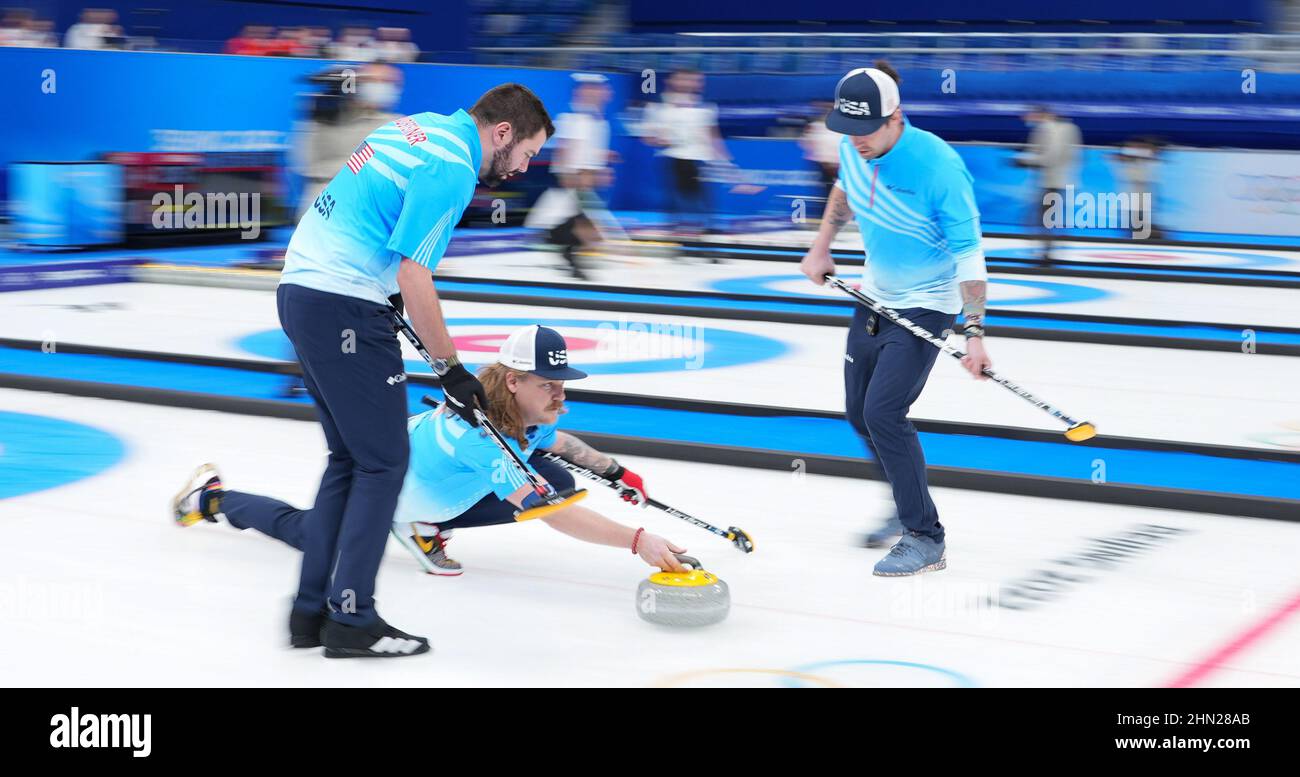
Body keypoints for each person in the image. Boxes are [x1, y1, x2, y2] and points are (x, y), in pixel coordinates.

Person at [171, 84, 555, 658]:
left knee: (350, 460)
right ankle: (352, 618)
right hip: (342, 303)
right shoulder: (452, 167)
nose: (526, 166)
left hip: (303, 292)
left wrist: (378, 296)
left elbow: (369, 220)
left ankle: (310, 615)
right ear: (502, 133)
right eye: (528, 152)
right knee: (384, 463)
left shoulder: (418, 126)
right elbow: (414, 275)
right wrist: (453, 370)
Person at [174, 326, 687, 580]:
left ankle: (424, 525)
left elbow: (562, 445)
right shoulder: (482, 439)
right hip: (373, 489)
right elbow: (553, 517)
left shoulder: (512, 414)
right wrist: (636, 540)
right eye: (551, 385)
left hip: (426, 483)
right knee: (308, 536)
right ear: (514, 381)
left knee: (558, 477)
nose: (562, 395)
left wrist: (617, 472)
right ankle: (215, 498)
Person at [799, 64, 992, 577]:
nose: (855, 141)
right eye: (846, 129)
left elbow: (970, 254)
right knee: (857, 413)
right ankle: (902, 494)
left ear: (896, 116)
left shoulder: (939, 168)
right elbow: (843, 190)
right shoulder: (851, 144)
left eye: (866, 130)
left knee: (884, 413)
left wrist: (974, 334)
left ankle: (925, 536)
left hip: (928, 303)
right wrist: (821, 246)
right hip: (873, 297)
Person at [525, 73, 615, 280]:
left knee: (581, 227)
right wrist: (569, 175)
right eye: (593, 89)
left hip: (584, 182)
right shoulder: (573, 119)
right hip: (571, 181)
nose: (602, 93)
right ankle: (566, 254)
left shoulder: (600, 123)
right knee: (578, 226)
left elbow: (587, 152)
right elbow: (565, 150)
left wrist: (602, 164)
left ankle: (563, 249)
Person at [640, 69, 731, 240]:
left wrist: (725, 161)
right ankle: (677, 240)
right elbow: (648, 136)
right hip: (672, 159)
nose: (689, 83)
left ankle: (709, 242)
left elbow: (713, 135)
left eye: (694, 80)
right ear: (672, 81)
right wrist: (658, 139)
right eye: (684, 79)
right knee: (676, 204)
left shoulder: (706, 109)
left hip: (700, 161)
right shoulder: (657, 108)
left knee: (704, 204)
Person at [1017, 106, 1081, 262]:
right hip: (1059, 180)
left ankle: (1047, 253)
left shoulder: (1049, 128)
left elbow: (1051, 155)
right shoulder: (1069, 127)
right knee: (1047, 218)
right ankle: (1048, 251)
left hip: (1052, 181)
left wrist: (1024, 160)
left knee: (1044, 218)